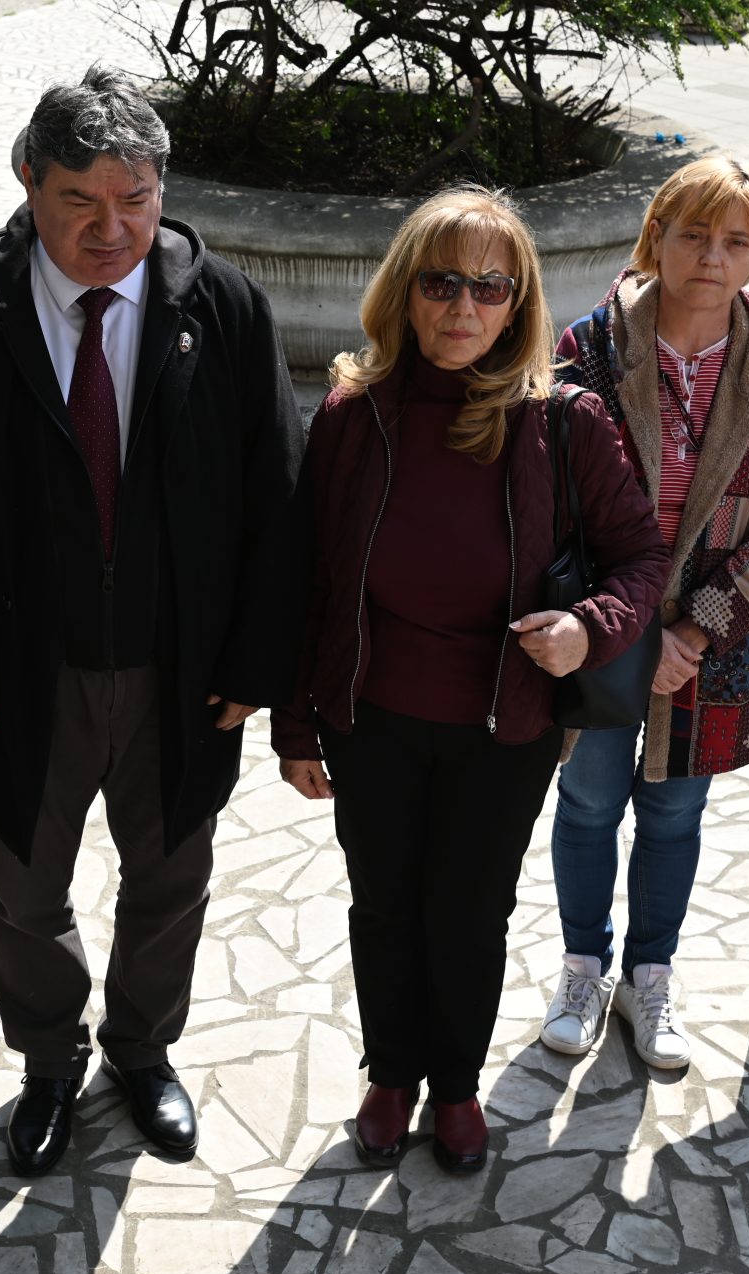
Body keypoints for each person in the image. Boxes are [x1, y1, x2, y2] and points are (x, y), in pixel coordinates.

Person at [0, 66, 309, 1177]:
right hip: (21, 673)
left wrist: (256, 658)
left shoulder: (226, 309)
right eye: (80, 201)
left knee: (171, 878)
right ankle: (49, 1058)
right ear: (28, 180)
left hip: (181, 669)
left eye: (137, 200)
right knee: (25, 887)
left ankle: (143, 1050)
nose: (112, 230)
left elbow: (277, 496)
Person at [272, 187, 670, 1173]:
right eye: (442, 282)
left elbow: (640, 557)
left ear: (517, 302)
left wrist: (588, 627)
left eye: (490, 288)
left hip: (505, 724)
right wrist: (296, 724)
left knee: (469, 908)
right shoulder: (354, 416)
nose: (463, 307)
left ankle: (453, 1082)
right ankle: (390, 1073)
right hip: (373, 716)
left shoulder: (563, 421)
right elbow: (307, 578)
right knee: (384, 904)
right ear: (405, 292)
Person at [540, 158, 749, 1071]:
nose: (712, 257)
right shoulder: (588, 347)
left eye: (736, 241)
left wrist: (696, 627)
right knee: (588, 800)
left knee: (673, 813)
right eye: (694, 234)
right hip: (604, 623)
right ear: (655, 235)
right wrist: (625, 628)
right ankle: (583, 965)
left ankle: (649, 974)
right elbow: (553, 495)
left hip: (714, 642)